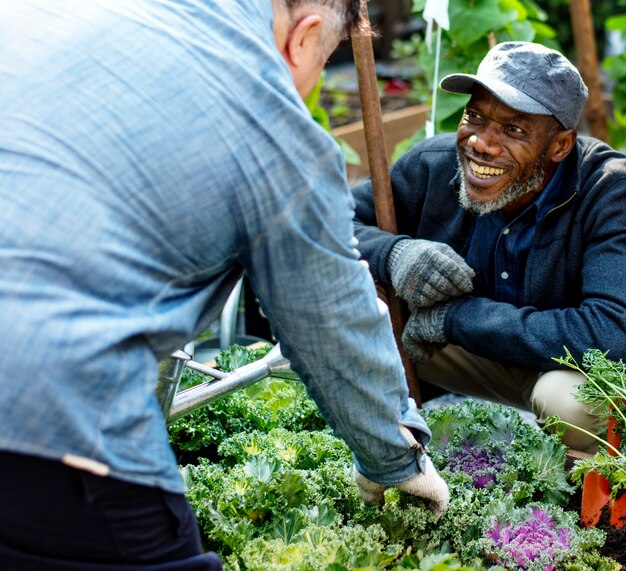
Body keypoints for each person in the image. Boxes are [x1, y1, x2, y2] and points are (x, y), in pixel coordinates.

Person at [0, 0, 449, 567]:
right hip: (44, 414)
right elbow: (332, 319)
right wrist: (396, 460)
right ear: (305, 36)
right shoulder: (270, 119)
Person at [352, 41, 626, 453]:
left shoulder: (610, 192)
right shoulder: (433, 164)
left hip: (567, 368)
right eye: (475, 117)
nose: (481, 142)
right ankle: (387, 457)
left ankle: (571, 508)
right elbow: (329, 224)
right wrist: (394, 254)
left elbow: (610, 333)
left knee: (571, 403)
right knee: (351, 306)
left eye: (513, 129)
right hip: (479, 358)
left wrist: (459, 318)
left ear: (560, 145)